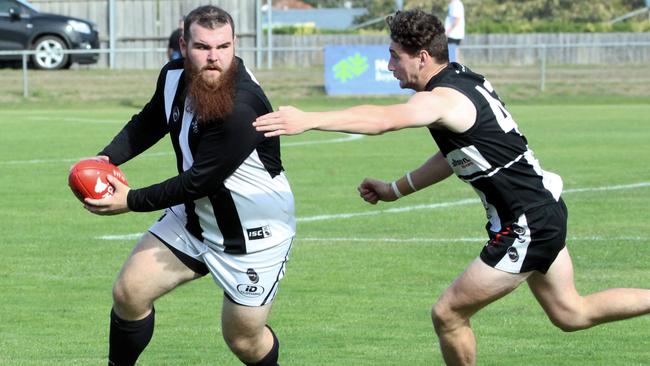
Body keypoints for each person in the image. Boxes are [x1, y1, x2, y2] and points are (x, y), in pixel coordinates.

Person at [253, 9, 650, 366]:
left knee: (447, 314)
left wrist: (311, 118)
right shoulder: (463, 80)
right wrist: (394, 190)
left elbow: (383, 120)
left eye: (395, 55)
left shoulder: (441, 99)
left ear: (422, 57)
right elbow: (455, 158)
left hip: (528, 223)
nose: (389, 64)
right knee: (571, 313)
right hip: (541, 209)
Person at [82, 5, 295, 366]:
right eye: (202, 47)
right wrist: (107, 159)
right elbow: (151, 120)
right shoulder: (173, 76)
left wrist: (130, 201)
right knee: (129, 292)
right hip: (195, 218)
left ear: (235, 44)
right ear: (183, 44)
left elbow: (199, 180)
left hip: (253, 234)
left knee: (243, 340)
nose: (214, 58)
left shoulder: (243, 105)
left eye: (223, 47)